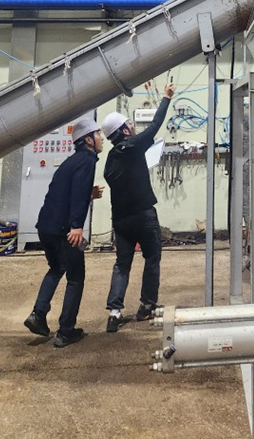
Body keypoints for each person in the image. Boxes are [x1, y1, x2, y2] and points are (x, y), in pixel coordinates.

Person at [24, 118, 104, 348]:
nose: (102, 139)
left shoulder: (71, 162)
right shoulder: (88, 160)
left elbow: (66, 193)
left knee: (57, 268)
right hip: (65, 230)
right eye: (98, 135)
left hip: (46, 227)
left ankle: (37, 316)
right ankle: (66, 331)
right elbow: (76, 195)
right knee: (76, 278)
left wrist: (88, 194)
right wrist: (76, 225)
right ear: (88, 140)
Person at [102, 82, 174, 332]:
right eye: (128, 125)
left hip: (121, 221)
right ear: (122, 131)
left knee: (122, 264)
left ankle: (114, 311)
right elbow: (154, 127)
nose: (132, 126)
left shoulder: (111, 159)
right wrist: (165, 98)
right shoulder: (131, 147)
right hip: (143, 216)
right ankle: (147, 306)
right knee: (152, 258)